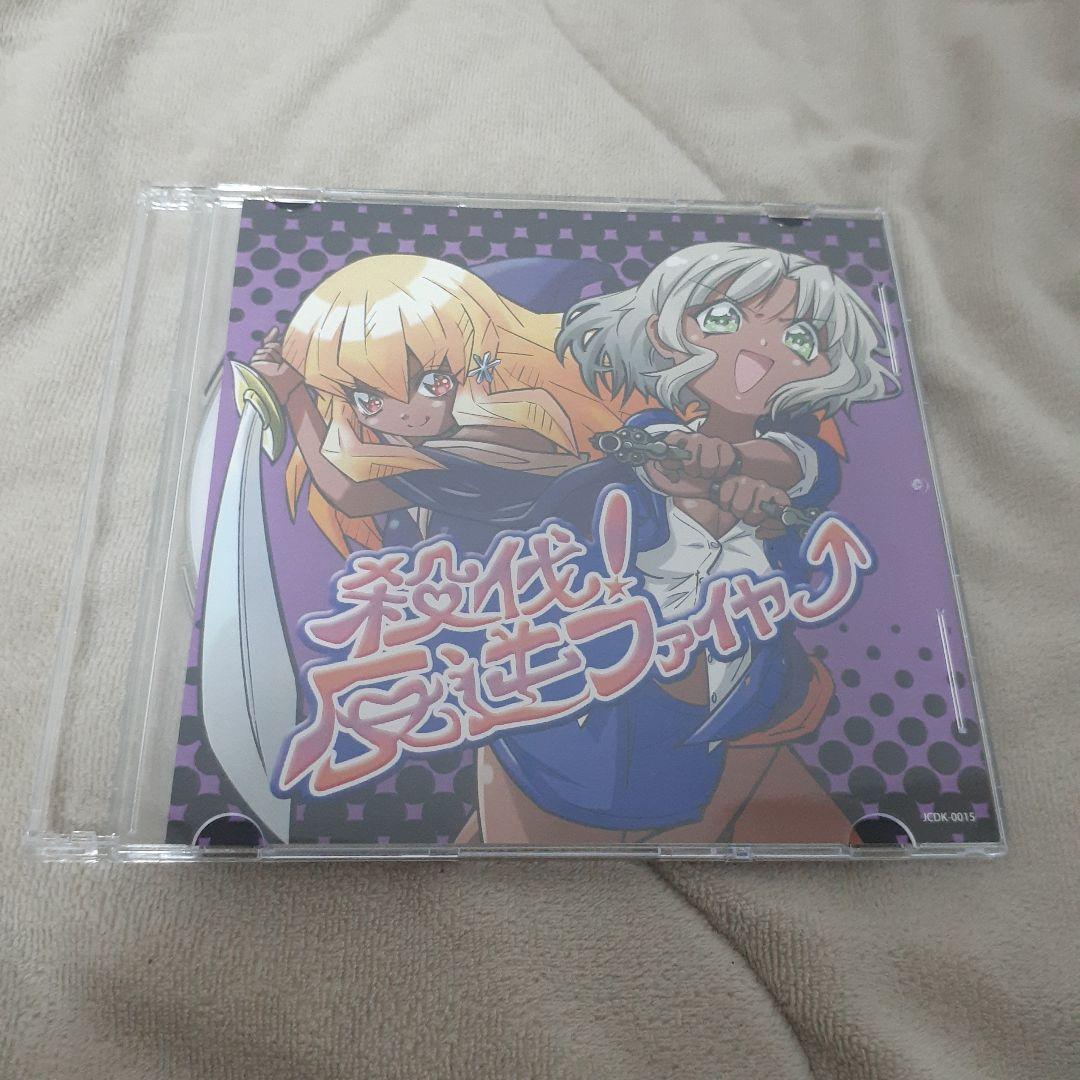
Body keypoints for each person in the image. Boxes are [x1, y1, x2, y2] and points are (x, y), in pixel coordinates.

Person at [469, 242, 899, 845]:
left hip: (723, 689)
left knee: (678, 795)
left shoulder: (801, 460)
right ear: (665, 333)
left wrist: (744, 478)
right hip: (605, 677)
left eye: (800, 339)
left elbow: (795, 465)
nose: (760, 347)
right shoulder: (654, 434)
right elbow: (664, 464)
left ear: (824, 367)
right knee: (547, 795)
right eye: (724, 318)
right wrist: (704, 467)